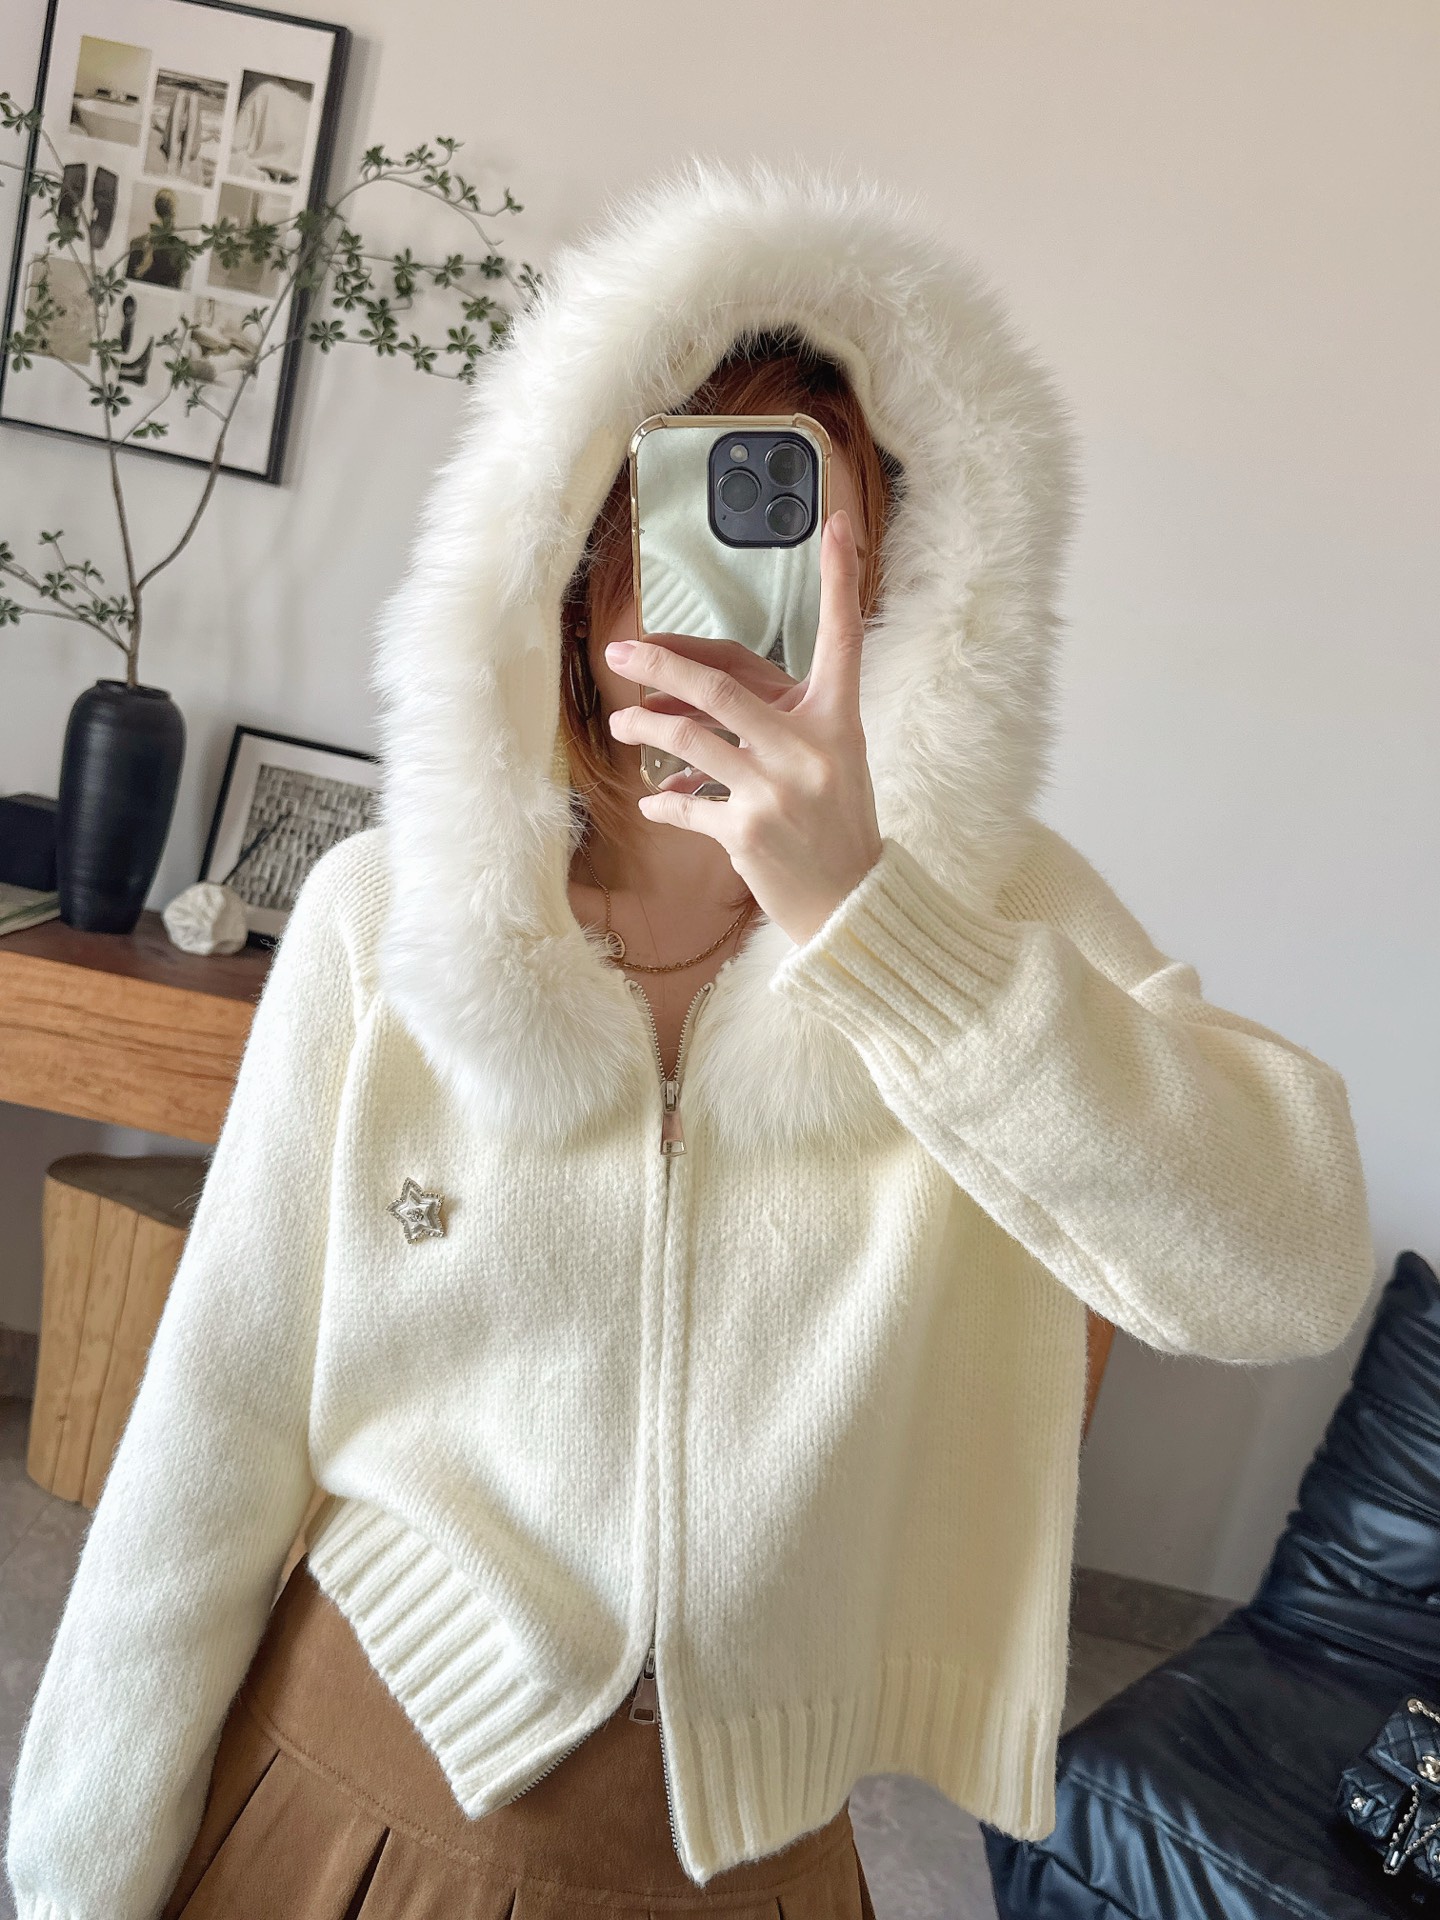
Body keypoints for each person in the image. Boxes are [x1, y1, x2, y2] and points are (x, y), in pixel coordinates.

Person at [6, 164, 1376, 1920]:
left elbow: (1287, 1269)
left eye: (795, 527)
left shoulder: (997, 917)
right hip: (353, 1786)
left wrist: (878, 928)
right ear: (573, 550)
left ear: (901, 579)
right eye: (680, 509)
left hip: (755, 1858)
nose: (722, 590)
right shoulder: (388, 912)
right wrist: (73, 1880)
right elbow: (213, 1431)